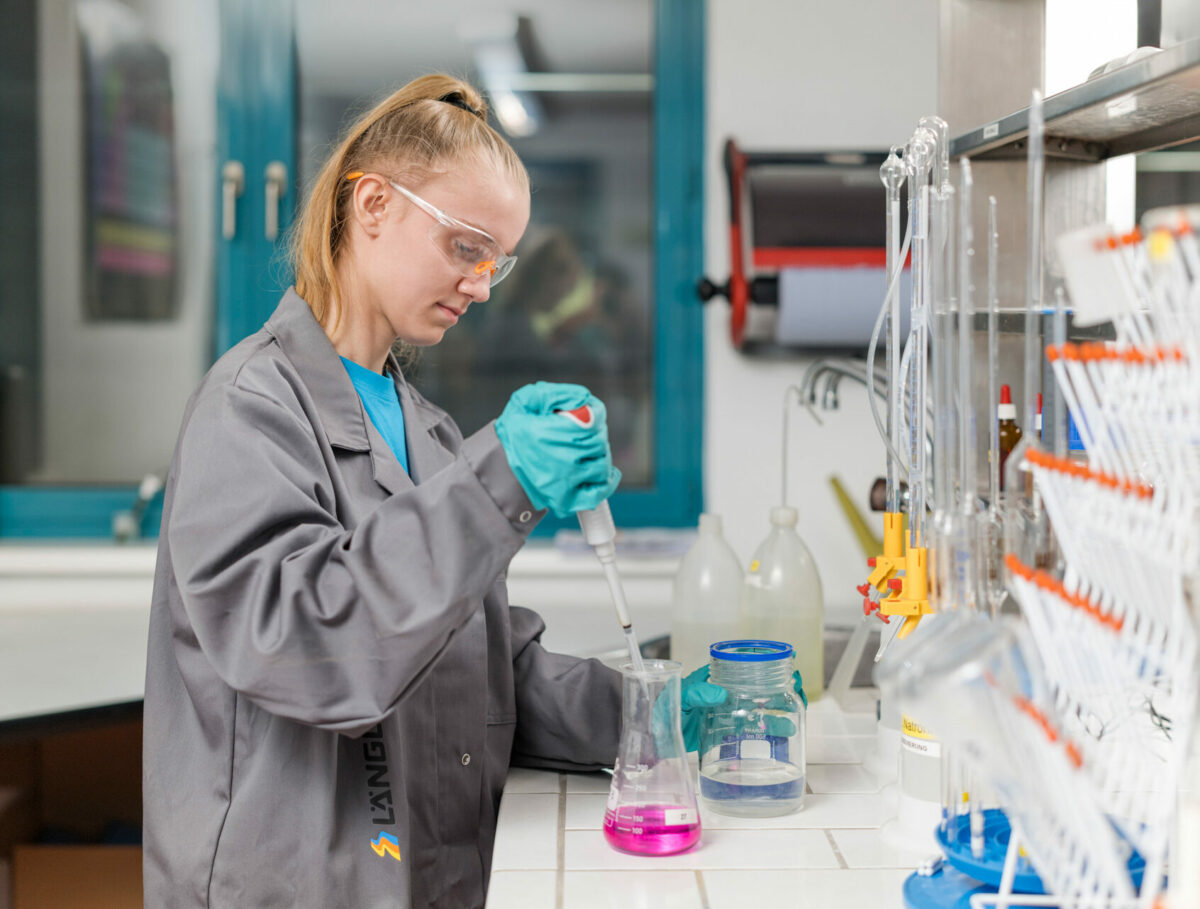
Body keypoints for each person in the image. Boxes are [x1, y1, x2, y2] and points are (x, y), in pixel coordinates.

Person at [142, 75, 627, 908]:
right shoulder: (249, 408)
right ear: (373, 205)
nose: (480, 283)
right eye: (465, 246)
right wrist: (500, 477)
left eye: (496, 263)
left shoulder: (429, 431)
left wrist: (655, 713)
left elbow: (480, 672)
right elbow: (307, 646)